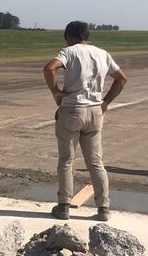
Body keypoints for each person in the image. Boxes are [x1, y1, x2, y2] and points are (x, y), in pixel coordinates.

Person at [43, 21, 127, 221]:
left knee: (66, 160)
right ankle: (103, 208)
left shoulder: (69, 52)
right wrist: (106, 102)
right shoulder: (102, 53)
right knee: (96, 162)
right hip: (95, 111)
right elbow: (122, 78)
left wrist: (56, 92)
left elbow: (49, 69)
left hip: (72, 109)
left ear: (68, 37)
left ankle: (64, 205)